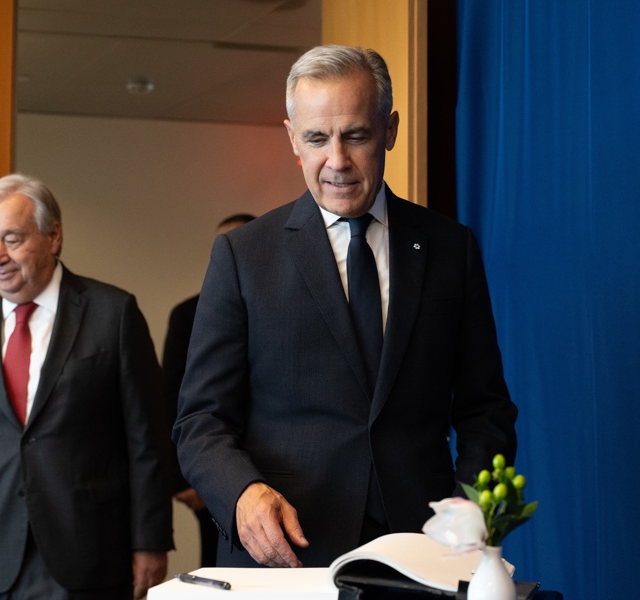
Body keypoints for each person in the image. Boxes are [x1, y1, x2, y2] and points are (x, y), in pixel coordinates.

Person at [172, 45, 518, 570]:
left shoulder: (451, 250)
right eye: (317, 138)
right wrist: (242, 492)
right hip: (286, 555)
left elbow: (485, 409)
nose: (337, 161)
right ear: (293, 138)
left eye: (356, 136)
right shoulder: (243, 255)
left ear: (389, 130)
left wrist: (470, 507)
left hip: (422, 552)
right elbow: (201, 419)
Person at [0, 173, 173, 600]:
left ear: (53, 237)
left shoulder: (113, 314)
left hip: (91, 554)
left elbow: (146, 439)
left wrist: (149, 541)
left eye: (12, 239)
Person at [162, 213, 255, 568]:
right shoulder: (188, 313)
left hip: (273, 469)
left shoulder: (285, 304)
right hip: (211, 467)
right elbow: (172, 397)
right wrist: (181, 479)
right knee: (215, 567)